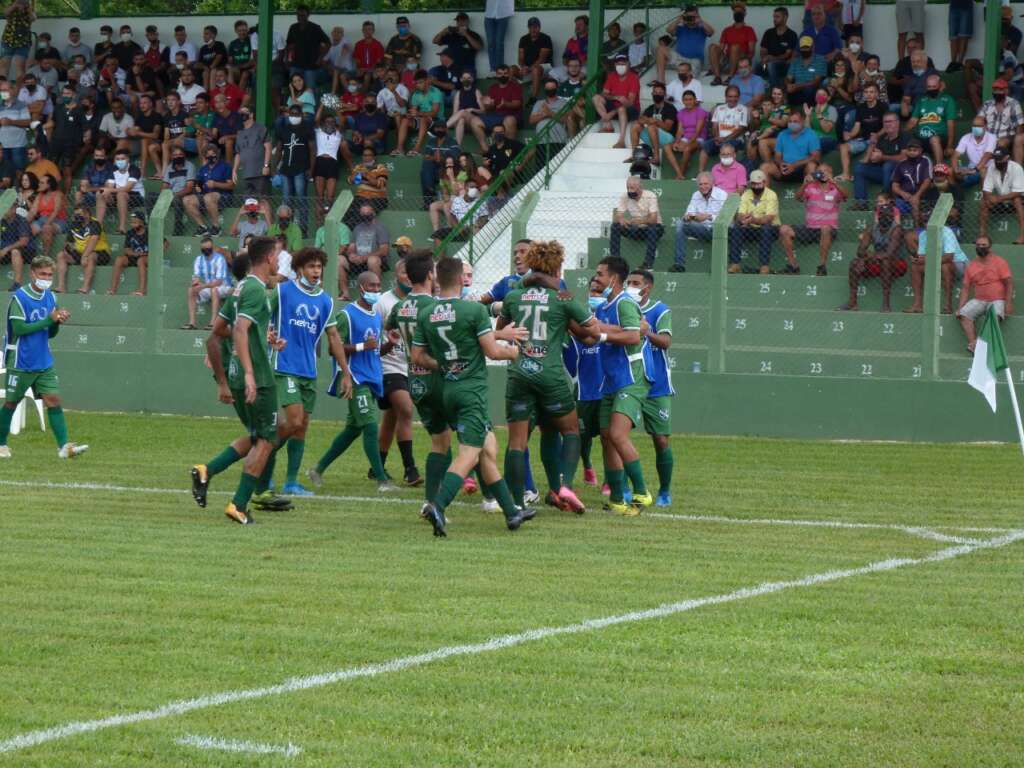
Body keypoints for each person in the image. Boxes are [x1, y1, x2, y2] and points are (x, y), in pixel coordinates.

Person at [413, 257, 532, 536]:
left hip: (448, 389)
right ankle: (438, 506)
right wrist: (514, 351)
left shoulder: (427, 312)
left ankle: (513, 512)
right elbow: (492, 351)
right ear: (460, 279)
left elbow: (417, 356)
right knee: (470, 453)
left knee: (487, 450)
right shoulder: (473, 310)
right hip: (471, 392)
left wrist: (444, 364)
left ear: (437, 279)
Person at [498, 240, 598, 513]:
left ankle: (517, 503)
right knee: (571, 430)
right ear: (556, 266)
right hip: (550, 374)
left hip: (519, 373)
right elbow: (592, 330)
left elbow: (502, 328)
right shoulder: (562, 298)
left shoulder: (514, 296)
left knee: (519, 441)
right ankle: (564, 484)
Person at [0, 254, 89, 461]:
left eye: (50, 275)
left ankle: (64, 447)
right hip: (21, 360)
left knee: (54, 400)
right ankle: (1, 444)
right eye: (43, 274)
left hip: (43, 359)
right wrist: (48, 320)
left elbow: (50, 333)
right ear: (32, 274)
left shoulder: (51, 297)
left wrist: (57, 322)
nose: (46, 278)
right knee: (11, 403)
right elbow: (20, 329)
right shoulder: (20, 298)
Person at [220, 238, 282, 524]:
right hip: (257, 374)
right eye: (279, 255)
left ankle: (209, 473)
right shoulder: (256, 288)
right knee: (266, 439)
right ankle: (239, 503)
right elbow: (241, 330)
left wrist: (263, 339)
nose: (280, 261)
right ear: (269, 257)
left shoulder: (242, 285)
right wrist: (248, 373)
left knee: (262, 436)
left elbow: (221, 327)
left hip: (242, 370)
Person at [591, 255, 652, 515]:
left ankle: (642, 492)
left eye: (600, 274)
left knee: (617, 434)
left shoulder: (624, 303)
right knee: (606, 438)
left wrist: (601, 334)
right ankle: (617, 498)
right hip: (611, 378)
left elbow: (632, 335)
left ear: (614, 278)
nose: (595, 278)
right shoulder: (603, 306)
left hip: (631, 376)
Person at [626, 269, 675, 506]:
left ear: (648, 287)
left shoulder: (659, 310)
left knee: (661, 440)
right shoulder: (623, 306)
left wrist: (647, 333)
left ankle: (665, 491)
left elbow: (666, 342)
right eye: (629, 282)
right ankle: (624, 487)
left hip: (657, 385)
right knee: (619, 435)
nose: (631, 286)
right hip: (630, 383)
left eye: (636, 283)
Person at [563, 277, 605, 488]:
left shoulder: (616, 319)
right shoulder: (579, 322)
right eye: (593, 293)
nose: (595, 297)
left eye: (600, 293)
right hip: (583, 392)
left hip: (608, 391)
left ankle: (611, 481)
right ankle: (587, 465)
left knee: (611, 436)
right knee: (580, 436)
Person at [840, 193, 908, 312]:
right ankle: (852, 302)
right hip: (877, 261)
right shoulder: (872, 228)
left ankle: (886, 304)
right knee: (854, 263)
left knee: (886, 261)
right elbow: (860, 250)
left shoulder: (897, 229)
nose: (885, 217)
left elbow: (889, 254)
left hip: (897, 264)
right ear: (878, 215)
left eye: (888, 215)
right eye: (882, 215)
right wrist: (863, 258)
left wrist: (867, 257)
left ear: (892, 216)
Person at [779, 164, 846, 276]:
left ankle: (822, 266)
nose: (823, 174)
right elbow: (797, 197)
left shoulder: (835, 189)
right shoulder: (810, 187)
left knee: (825, 227)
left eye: (826, 172)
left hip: (828, 230)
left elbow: (846, 195)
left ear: (831, 174)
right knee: (784, 229)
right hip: (810, 229)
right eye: (820, 172)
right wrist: (804, 184)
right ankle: (793, 266)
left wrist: (834, 183)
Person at [957, 236, 1014, 354]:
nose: (981, 247)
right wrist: (960, 307)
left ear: (990, 247)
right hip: (979, 300)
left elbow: (1009, 284)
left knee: (995, 316)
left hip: (997, 299)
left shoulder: (1000, 262)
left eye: (984, 245)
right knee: (963, 315)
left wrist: (1008, 303)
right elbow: (965, 288)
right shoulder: (971, 265)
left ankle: (976, 344)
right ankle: (975, 346)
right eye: (978, 245)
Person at [904, 223, 969, 315]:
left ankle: (948, 305)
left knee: (945, 266)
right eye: (926, 223)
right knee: (915, 267)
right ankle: (917, 305)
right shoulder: (923, 234)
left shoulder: (947, 232)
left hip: (958, 263)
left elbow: (949, 257)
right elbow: (922, 257)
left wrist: (926, 260)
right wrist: (917, 259)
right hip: (937, 262)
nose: (927, 225)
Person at [729, 170, 780, 273]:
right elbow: (740, 214)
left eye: (759, 183)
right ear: (750, 183)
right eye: (753, 184)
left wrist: (753, 220)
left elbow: (768, 218)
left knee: (766, 227)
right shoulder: (746, 194)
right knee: (737, 226)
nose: (756, 187)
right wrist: (744, 218)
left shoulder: (771, 195)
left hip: (771, 229)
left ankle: (764, 266)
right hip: (750, 227)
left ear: (764, 183)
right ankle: (735, 264)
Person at [853, 111, 909, 206]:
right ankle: (861, 202)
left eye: (890, 121)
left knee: (888, 165)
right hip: (884, 174)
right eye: (885, 122)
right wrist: (872, 144)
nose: (887, 124)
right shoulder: (882, 138)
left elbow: (904, 158)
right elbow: (868, 159)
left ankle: (887, 197)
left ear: (897, 122)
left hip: (901, 174)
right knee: (859, 167)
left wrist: (882, 157)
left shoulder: (905, 136)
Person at [676, 173, 727, 273]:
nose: (703, 187)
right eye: (700, 184)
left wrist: (709, 216)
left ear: (712, 184)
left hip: (718, 229)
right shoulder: (696, 194)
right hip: (701, 229)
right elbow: (689, 212)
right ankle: (679, 264)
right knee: (680, 224)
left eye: (706, 184)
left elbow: (726, 218)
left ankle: (717, 269)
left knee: (720, 227)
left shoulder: (722, 194)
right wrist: (688, 217)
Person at [610, 176, 663, 269]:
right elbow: (617, 216)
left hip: (652, 229)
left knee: (653, 228)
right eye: (628, 188)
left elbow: (654, 219)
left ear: (640, 187)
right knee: (615, 226)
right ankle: (615, 261)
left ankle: (648, 264)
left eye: (632, 188)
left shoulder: (650, 195)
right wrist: (621, 219)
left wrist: (640, 221)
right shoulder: (625, 196)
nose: (630, 191)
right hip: (635, 229)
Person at [340, 203, 389, 300]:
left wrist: (364, 257)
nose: (365, 215)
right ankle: (345, 293)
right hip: (358, 261)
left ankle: (376, 293)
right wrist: (351, 255)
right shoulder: (357, 228)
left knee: (372, 260)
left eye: (368, 212)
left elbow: (384, 250)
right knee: (339, 259)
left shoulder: (380, 228)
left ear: (373, 213)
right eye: (363, 213)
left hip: (374, 261)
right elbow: (351, 247)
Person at [905, 74, 956, 165]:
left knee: (934, 138)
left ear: (940, 85)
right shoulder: (922, 100)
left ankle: (939, 171)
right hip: (921, 138)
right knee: (910, 142)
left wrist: (949, 146)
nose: (931, 89)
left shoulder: (948, 100)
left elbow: (951, 124)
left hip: (939, 137)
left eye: (934, 86)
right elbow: (913, 121)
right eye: (929, 87)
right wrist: (903, 132)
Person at [57, 206, 110, 294]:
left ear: (87, 214)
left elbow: (93, 240)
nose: (77, 217)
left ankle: (85, 288)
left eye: (79, 214)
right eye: (75, 215)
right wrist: (67, 250)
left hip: (100, 253)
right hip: (80, 253)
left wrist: (85, 256)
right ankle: (61, 287)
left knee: (91, 256)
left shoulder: (95, 223)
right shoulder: (74, 224)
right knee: (61, 255)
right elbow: (69, 242)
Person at [839, 82, 885, 181]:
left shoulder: (883, 106)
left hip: (878, 140)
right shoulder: (860, 107)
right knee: (843, 147)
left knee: (873, 141)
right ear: (863, 94)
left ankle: (861, 175)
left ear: (877, 94)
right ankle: (846, 174)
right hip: (863, 139)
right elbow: (857, 126)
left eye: (871, 92)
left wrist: (877, 134)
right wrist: (850, 135)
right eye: (866, 92)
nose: (868, 94)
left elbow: (886, 127)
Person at [184, 146, 234, 237]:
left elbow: (231, 185)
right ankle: (202, 227)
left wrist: (216, 184)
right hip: (205, 196)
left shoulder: (225, 166)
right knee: (187, 199)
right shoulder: (204, 168)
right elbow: (198, 182)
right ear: (205, 156)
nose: (211, 156)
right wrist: (197, 187)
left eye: (213, 154)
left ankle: (216, 227)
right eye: (208, 155)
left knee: (208, 197)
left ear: (217, 154)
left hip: (223, 196)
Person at [656, 4, 714, 83]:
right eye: (688, 16)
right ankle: (660, 81)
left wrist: (701, 21)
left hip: (695, 60)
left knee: (689, 79)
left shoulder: (702, 28)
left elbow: (711, 32)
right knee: (660, 49)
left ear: (697, 16)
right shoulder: (681, 28)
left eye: (693, 16)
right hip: (679, 58)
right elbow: (669, 30)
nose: (691, 19)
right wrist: (678, 20)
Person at [697, 85, 748, 174]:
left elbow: (740, 129)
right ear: (726, 97)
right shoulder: (719, 108)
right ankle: (700, 173)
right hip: (720, 138)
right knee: (705, 146)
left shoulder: (743, 109)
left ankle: (722, 174)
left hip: (736, 140)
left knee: (724, 146)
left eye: (735, 96)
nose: (733, 99)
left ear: (739, 97)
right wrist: (716, 137)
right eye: (730, 96)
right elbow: (714, 125)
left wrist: (725, 139)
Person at [593, 54, 640, 149]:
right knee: (596, 97)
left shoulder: (633, 78)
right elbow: (604, 93)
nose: (620, 66)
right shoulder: (611, 76)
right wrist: (616, 97)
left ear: (628, 65)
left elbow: (630, 102)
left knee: (622, 108)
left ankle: (621, 141)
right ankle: (608, 124)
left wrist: (611, 113)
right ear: (615, 65)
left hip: (631, 109)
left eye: (623, 64)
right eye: (618, 64)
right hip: (615, 105)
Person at [184, 236, 231, 330]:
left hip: (224, 287)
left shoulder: (219, 259)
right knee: (191, 290)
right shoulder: (198, 259)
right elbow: (196, 276)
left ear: (212, 248)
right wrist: (195, 283)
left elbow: (219, 281)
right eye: (203, 249)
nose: (206, 251)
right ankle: (192, 323)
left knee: (214, 290)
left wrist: (203, 285)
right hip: (208, 287)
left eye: (208, 249)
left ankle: (213, 323)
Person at [762, 110, 820, 184]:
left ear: (802, 121)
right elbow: (777, 156)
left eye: (795, 121)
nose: (792, 124)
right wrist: (781, 164)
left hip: (802, 170)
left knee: (811, 165)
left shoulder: (811, 134)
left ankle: (812, 193)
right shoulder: (782, 134)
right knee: (765, 167)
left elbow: (815, 157)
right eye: (790, 121)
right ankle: (766, 195)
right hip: (785, 169)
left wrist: (794, 165)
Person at [980, 147, 1024, 243]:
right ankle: (982, 235)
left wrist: (998, 198)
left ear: (1007, 158)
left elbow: (1018, 192)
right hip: (1001, 201)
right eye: (996, 159)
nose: (997, 161)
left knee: (1017, 200)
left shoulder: (1016, 168)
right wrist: (989, 197)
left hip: (1017, 200)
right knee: (984, 201)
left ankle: (1022, 236)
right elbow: (987, 189)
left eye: (1000, 159)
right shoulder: (992, 167)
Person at [709, 2, 757, 86]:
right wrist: (718, 60)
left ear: (744, 14)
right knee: (712, 47)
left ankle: (731, 77)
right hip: (728, 60)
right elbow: (720, 49)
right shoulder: (727, 30)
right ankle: (717, 77)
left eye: (740, 12)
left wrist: (745, 64)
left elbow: (751, 52)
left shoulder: (749, 30)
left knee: (735, 46)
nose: (737, 13)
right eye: (735, 12)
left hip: (741, 60)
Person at [629, 80, 676, 163]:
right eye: (655, 92)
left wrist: (655, 121)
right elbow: (640, 120)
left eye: (660, 92)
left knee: (651, 127)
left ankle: (656, 157)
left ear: (664, 95)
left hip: (668, 139)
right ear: (652, 94)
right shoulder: (650, 108)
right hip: (653, 138)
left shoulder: (670, 108)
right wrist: (646, 120)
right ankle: (634, 155)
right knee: (635, 126)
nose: (657, 94)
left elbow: (668, 128)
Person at [665, 89, 708, 179]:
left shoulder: (701, 112)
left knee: (687, 149)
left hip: (699, 138)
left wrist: (686, 144)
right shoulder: (681, 113)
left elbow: (697, 132)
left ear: (695, 100)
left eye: (690, 99)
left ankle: (680, 174)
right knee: (667, 147)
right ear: (683, 101)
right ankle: (679, 173)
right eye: (686, 99)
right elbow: (680, 131)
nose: (688, 102)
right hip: (686, 138)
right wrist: (677, 142)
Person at [890, 138, 933, 221]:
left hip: (922, 198)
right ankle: (899, 229)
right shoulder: (901, 164)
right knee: (894, 206)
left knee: (916, 203)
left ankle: (917, 229)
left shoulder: (925, 161)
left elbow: (927, 181)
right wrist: (902, 193)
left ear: (920, 150)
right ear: (906, 151)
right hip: (905, 198)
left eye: (915, 150)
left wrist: (917, 196)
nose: (912, 152)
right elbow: (894, 185)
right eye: (910, 150)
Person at [432, 12, 483, 78]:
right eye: (458, 21)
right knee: (432, 72)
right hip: (450, 66)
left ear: (467, 22)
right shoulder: (452, 34)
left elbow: (479, 47)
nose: (460, 23)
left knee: (466, 82)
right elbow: (435, 41)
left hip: (466, 67)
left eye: (462, 21)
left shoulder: (473, 34)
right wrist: (442, 32)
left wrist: (466, 35)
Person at [760, 6, 799, 87]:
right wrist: (764, 58)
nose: (774, 19)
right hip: (766, 63)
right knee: (755, 67)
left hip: (784, 65)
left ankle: (776, 90)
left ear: (785, 17)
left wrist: (772, 58)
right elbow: (763, 50)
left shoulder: (791, 34)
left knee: (771, 65)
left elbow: (787, 55)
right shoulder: (768, 32)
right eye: (774, 17)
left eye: (777, 17)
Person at [953, 116, 996, 188]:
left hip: (987, 168)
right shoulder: (966, 137)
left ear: (985, 127)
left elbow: (987, 156)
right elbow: (955, 156)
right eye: (974, 126)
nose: (976, 128)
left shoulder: (992, 137)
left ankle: (984, 197)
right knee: (951, 171)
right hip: (971, 168)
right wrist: (956, 170)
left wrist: (975, 170)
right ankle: (956, 191)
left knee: (983, 171)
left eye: (979, 126)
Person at [517, 17, 553, 101]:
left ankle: (533, 99)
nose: (533, 29)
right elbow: (520, 57)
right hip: (528, 67)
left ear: (539, 27)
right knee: (511, 69)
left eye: (535, 27)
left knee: (535, 69)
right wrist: (523, 67)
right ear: (528, 28)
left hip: (545, 67)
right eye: (531, 27)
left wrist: (529, 69)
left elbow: (542, 59)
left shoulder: (546, 38)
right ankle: (511, 96)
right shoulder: (523, 39)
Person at [786, 35, 827, 107]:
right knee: (785, 90)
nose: (804, 50)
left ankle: (808, 113)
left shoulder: (820, 60)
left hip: (812, 89)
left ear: (813, 47)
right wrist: (788, 84)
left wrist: (798, 86)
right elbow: (788, 77)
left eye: (807, 47)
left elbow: (816, 82)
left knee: (809, 90)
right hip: (796, 89)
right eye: (803, 48)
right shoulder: (795, 61)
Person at [0, 203, 33, 290]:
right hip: (6, 250)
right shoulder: (2, 221)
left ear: (13, 209)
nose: (3, 211)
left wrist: (6, 249)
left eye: (5, 208)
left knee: (15, 251)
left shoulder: (21, 221)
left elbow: (24, 241)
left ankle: (17, 283)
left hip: (25, 250)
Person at [485, 0, 515, 75]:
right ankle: (492, 69)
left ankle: (499, 70)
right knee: (490, 43)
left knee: (499, 43)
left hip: (503, 14)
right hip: (489, 14)